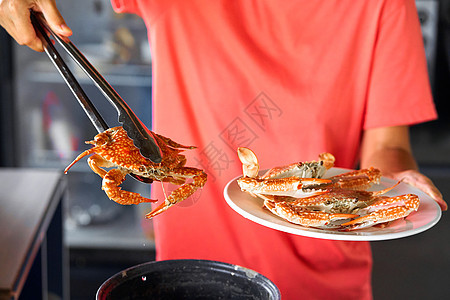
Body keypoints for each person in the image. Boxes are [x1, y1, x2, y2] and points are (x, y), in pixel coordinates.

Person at [1, 1, 447, 299]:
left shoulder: (384, 5)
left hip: (323, 276)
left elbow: (387, 146)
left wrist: (396, 180)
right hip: (190, 270)